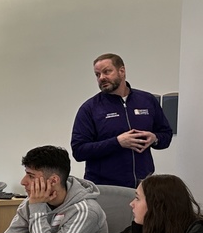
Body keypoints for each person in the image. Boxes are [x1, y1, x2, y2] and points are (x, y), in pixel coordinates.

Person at [71, 53, 173, 188]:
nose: (102, 78)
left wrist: (154, 138)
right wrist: (117, 142)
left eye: (107, 72)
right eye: (97, 74)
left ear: (122, 71)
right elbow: (79, 151)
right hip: (105, 188)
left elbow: (166, 134)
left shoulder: (147, 100)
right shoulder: (90, 108)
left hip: (143, 185)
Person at [1, 145, 107, 233]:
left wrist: (37, 206)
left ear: (53, 180)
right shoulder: (32, 202)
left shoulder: (87, 211)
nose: (23, 182)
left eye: (31, 176)